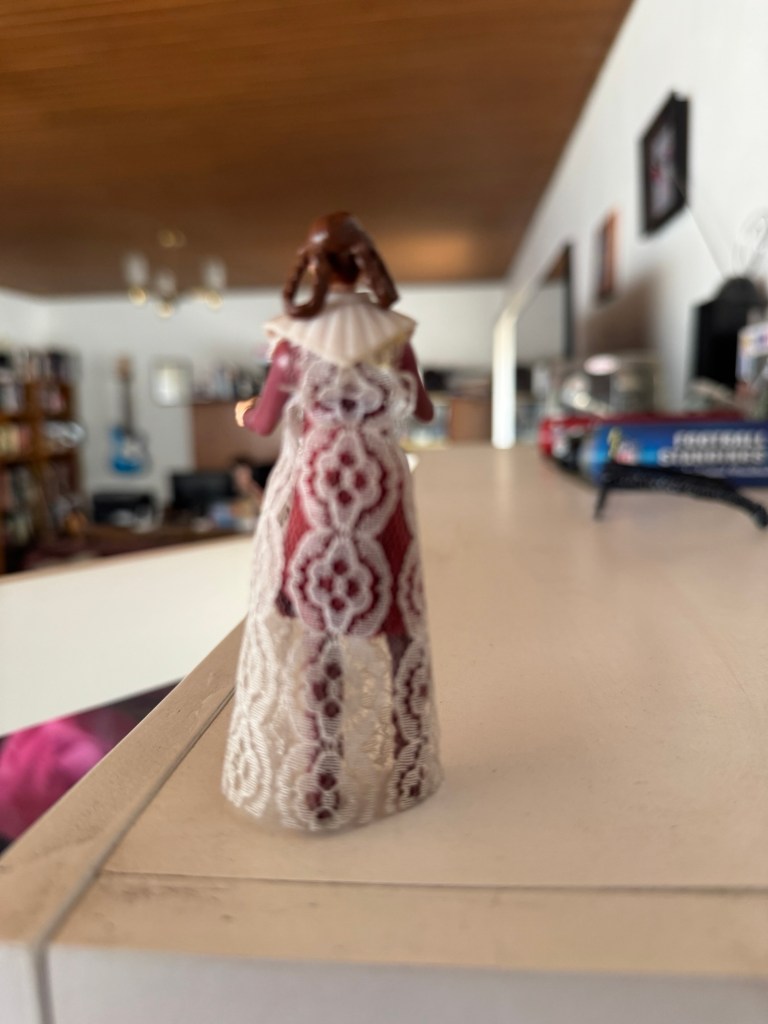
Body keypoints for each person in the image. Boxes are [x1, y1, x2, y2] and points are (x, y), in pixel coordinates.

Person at [221, 212, 442, 831]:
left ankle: (321, 776)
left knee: (319, 629)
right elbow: (423, 410)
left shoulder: (294, 340)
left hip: (321, 488)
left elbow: (265, 421)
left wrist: (245, 410)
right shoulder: (393, 334)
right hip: (379, 484)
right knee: (396, 621)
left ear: (313, 267)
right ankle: (410, 760)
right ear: (365, 262)